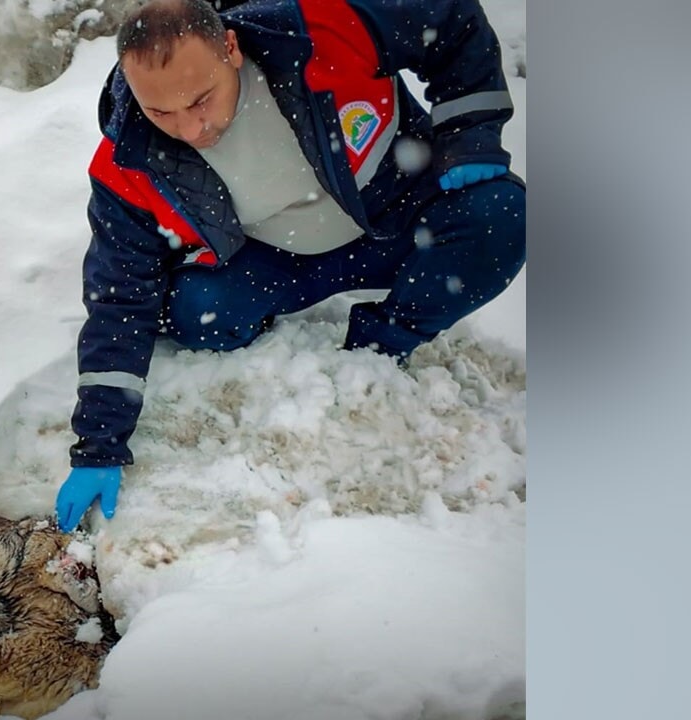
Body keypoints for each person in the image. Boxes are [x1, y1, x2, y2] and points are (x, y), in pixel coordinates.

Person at [55, 0, 526, 532]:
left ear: (230, 48)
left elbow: (451, 17)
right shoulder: (129, 158)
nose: (188, 128)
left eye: (201, 100)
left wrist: (470, 135)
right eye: (161, 112)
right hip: (282, 261)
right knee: (194, 311)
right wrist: (98, 445)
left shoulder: (321, 28)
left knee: (502, 217)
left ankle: (384, 342)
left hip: (394, 219)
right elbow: (119, 296)